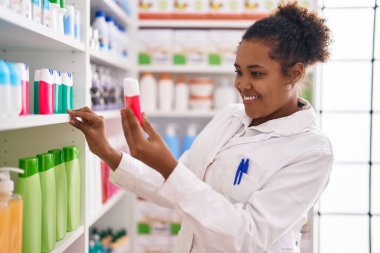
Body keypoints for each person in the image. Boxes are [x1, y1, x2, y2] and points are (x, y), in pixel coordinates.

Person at [68, 2, 333, 252]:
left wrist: (168, 166)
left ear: (295, 74)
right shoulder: (230, 117)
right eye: (239, 72)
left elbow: (246, 237)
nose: (242, 84)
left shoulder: (311, 150)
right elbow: (174, 187)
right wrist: (108, 152)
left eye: (257, 73)